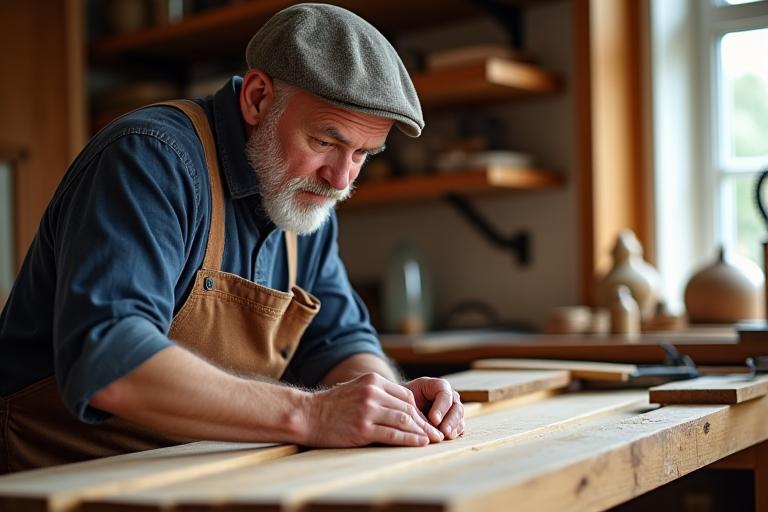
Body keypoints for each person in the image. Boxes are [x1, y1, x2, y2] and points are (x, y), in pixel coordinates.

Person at [0, 3, 464, 473]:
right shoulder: (152, 159)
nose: (341, 179)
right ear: (259, 97)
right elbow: (110, 359)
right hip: (57, 479)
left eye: (363, 154)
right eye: (325, 142)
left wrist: (391, 404)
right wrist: (312, 414)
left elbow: (339, 341)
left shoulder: (304, 197)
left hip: (187, 477)